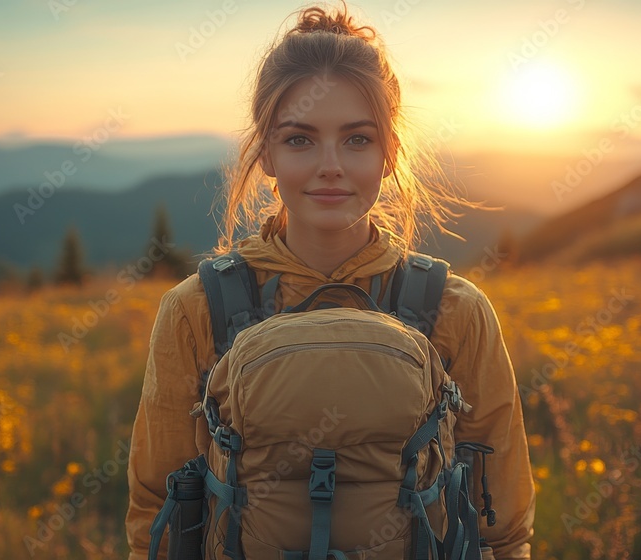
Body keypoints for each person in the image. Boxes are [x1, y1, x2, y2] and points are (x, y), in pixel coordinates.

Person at [125, 2, 535, 558]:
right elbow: (158, 502)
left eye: (358, 139)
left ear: (390, 153)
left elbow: (503, 524)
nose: (330, 164)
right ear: (265, 152)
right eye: (299, 139)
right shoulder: (194, 309)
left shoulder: (459, 311)